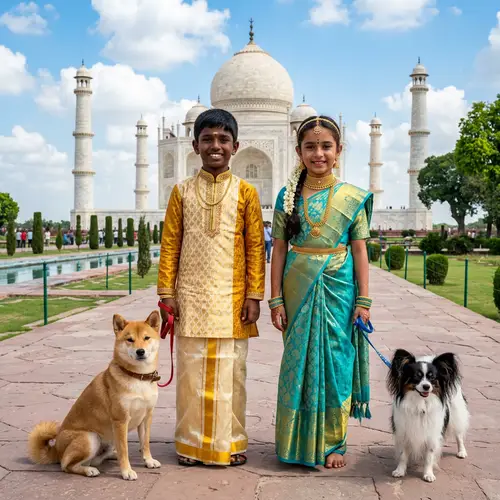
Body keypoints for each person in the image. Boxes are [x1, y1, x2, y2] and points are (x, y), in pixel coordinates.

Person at [157, 108, 265, 467]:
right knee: (191, 374)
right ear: (195, 145)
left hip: (233, 300)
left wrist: (254, 295)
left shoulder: (247, 193)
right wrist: (166, 294)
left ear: (236, 146)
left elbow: (255, 248)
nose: (215, 146)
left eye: (223, 139)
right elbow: (170, 243)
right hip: (189, 297)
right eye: (208, 139)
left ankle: (231, 442)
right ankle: (190, 443)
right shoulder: (182, 191)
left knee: (233, 376)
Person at [269, 115, 373, 470]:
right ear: (298, 152)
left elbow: (360, 250)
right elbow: (279, 249)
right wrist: (276, 298)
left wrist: (364, 300)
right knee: (297, 364)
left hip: (340, 290)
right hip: (297, 288)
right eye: (310, 147)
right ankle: (294, 439)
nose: (318, 153)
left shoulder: (351, 198)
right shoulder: (287, 196)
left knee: (336, 363)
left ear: (339, 150)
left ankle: (333, 442)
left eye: (326, 146)